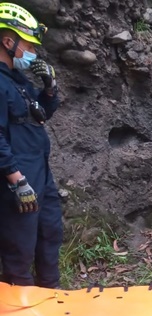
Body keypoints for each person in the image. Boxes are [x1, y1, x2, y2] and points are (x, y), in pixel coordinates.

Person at [0, 3, 62, 288]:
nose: (33, 52)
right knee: (20, 242)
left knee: (49, 232)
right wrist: (16, 180)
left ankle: (53, 298)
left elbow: (41, 112)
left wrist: (49, 87)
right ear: (8, 41)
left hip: (40, 170)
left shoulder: (17, 81)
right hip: (18, 175)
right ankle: (20, 311)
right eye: (29, 45)